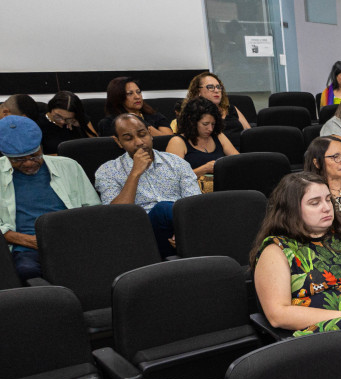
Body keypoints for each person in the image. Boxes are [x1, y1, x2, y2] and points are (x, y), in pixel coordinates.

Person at [252, 173, 341, 338]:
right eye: (315, 203)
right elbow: (278, 314)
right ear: (291, 209)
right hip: (325, 337)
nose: (327, 207)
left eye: (328, 199)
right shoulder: (277, 249)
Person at [0, 116, 100, 280]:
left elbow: (93, 209)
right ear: (6, 155)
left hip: (71, 239)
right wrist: (28, 241)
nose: (28, 163)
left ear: (41, 147)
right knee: (26, 272)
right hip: (26, 247)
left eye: (34, 156)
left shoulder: (68, 166)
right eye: (18, 160)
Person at [96, 114, 200, 257]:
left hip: (180, 230)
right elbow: (117, 217)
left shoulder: (177, 163)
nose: (139, 142)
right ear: (118, 142)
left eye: (142, 134)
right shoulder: (108, 171)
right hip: (139, 235)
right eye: (128, 138)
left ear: (150, 134)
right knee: (162, 209)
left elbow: (193, 206)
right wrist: (135, 174)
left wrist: (182, 231)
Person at [166, 97, 238, 176]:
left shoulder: (218, 136)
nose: (210, 129)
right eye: (205, 124)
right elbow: (172, 178)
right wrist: (204, 169)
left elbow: (238, 161)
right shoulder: (177, 142)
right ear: (191, 122)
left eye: (213, 124)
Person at [179, 72, 251, 143]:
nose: (216, 91)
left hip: (245, 151)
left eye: (218, 87)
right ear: (198, 91)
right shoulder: (192, 114)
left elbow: (250, 134)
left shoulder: (231, 108)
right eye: (210, 87)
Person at [102, 77, 173, 136]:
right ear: (118, 97)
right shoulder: (109, 123)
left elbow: (168, 139)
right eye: (130, 94)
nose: (137, 96)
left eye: (138, 92)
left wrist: (142, 123)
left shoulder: (155, 116)